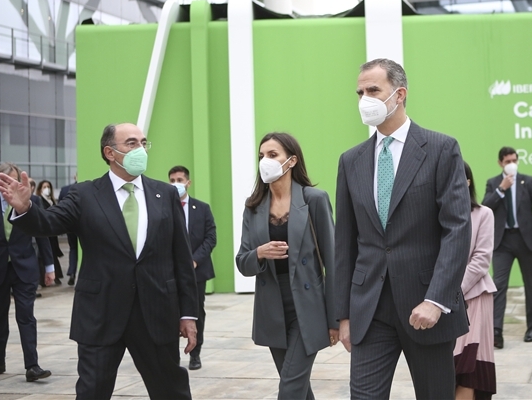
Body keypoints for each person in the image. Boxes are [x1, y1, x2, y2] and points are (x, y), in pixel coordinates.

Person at [0, 123, 198, 400]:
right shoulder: (84, 194)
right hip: (100, 314)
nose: (140, 149)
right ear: (110, 152)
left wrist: (188, 313)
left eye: (143, 142)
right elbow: (49, 222)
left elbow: (181, 259)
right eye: (131, 143)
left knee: (171, 391)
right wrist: (26, 208)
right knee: (92, 392)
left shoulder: (165, 195)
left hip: (156, 313)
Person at [334, 58, 471, 400]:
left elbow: (456, 229)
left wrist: (437, 300)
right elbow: (345, 244)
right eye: (360, 92)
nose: (364, 98)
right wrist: (343, 315)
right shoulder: (351, 161)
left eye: (373, 90)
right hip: (370, 309)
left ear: (400, 94)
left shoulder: (441, 149)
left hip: (425, 307)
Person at [236, 132, 339, 400]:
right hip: (272, 306)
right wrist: (259, 252)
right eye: (261, 156)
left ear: (291, 161)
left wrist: (336, 319)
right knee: (297, 386)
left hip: (308, 305)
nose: (265, 161)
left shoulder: (314, 199)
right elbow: (242, 262)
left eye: (272, 155)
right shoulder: (254, 206)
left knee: (290, 389)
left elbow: (334, 262)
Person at [0, 163, 55, 382]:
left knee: (26, 316)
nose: (10, 184)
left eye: (14, 180)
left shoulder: (32, 201)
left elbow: (42, 233)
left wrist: (50, 267)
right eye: (5, 180)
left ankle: (32, 366)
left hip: (24, 268)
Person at [482, 147, 532, 349]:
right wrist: (501, 189)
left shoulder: (527, 181)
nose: (512, 163)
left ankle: (531, 327)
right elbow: (485, 207)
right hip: (502, 241)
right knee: (499, 284)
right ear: (500, 163)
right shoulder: (494, 183)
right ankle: (497, 331)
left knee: (531, 284)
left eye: (514, 159)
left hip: (526, 239)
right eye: (507, 160)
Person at [454, 162, 497, 400]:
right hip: (439, 303)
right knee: (445, 371)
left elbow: (481, 259)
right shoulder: (433, 213)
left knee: (468, 369)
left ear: (468, 181)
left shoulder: (483, 214)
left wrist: (451, 291)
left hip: (474, 298)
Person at [169, 165, 217, 371]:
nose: (176, 184)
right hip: (170, 272)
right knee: (170, 312)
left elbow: (210, 238)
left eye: (179, 180)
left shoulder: (202, 208)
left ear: (188, 183)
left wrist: (194, 260)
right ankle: (170, 354)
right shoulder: (163, 207)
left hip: (197, 272)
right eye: (172, 180)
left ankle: (195, 353)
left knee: (196, 312)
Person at [35, 180, 64, 286]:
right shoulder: (39, 200)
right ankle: (45, 278)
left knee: (52, 253)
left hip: (52, 233)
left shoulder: (52, 200)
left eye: (48, 186)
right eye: (44, 187)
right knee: (46, 254)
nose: (47, 189)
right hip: (46, 231)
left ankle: (55, 275)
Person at [58, 174, 78, 286]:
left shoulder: (65, 189)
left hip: (70, 225)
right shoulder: (88, 188)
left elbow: (61, 206)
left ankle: (72, 272)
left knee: (73, 248)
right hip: (84, 224)